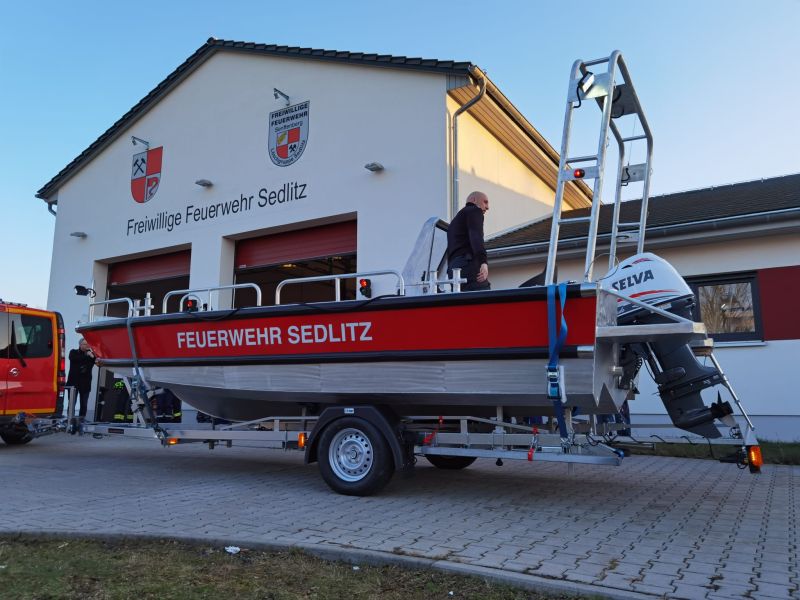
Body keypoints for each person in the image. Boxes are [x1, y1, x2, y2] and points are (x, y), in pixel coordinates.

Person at [447, 191, 491, 291]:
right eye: (485, 202)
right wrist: (483, 261)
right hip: (467, 263)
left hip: (453, 269)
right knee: (485, 299)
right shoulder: (474, 210)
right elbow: (476, 236)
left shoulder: (453, 223)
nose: (487, 207)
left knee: (463, 302)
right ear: (474, 200)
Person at [66, 338, 99, 419]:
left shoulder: (91, 355)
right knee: (72, 403)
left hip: (85, 383)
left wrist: (93, 356)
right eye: (85, 344)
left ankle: (82, 419)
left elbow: (98, 363)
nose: (87, 346)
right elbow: (74, 359)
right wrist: (86, 355)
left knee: (84, 403)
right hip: (73, 383)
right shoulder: (73, 352)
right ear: (80, 345)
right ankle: (70, 419)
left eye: (88, 344)